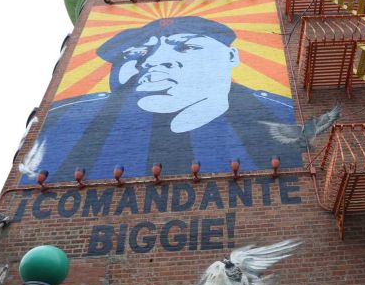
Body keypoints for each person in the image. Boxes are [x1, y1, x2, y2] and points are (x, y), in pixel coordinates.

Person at [19, 16, 302, 184]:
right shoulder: (62, 121)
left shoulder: (282, 114)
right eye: (135, 53)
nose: (153, 62)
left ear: (231, 57)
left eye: (187, 46)